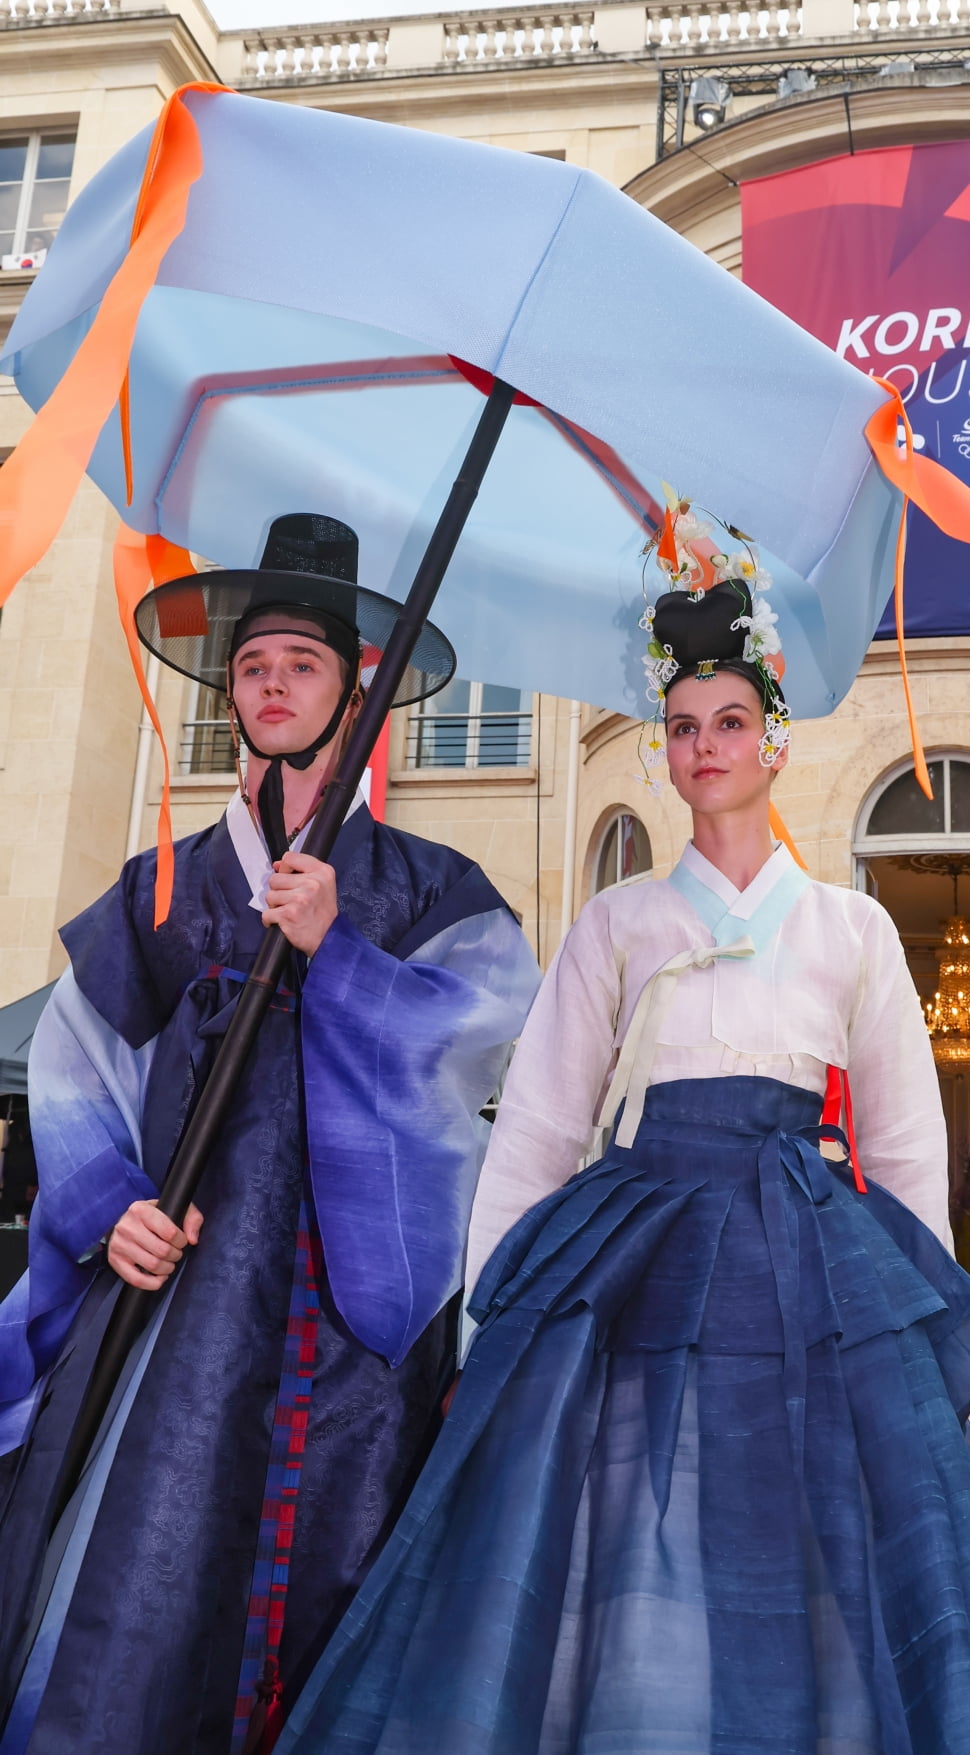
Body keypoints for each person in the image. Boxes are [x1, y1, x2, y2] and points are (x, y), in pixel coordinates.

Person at [279, 501, 970, 1755]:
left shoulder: (851, 929)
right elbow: (541, 1125)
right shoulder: (618, 922)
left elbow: (912, 1143)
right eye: (685, 728)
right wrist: (491, 1313)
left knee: (810, 1525)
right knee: (627, 1516)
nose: (707, 748)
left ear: (774, 743)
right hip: (636, 1237)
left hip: (804, 1243)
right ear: (664, 752)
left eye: (732, 724)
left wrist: (913, 1318)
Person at [0, 514, 540, 1755]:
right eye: (253, 667)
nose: (274, 685)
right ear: (230, 693)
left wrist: (336, 956)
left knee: (333, 1587)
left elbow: (486, 1033)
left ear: (352, 684)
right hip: (175, 1300)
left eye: (302, 663)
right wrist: (104, 1205)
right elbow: (77, 1067)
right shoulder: (163, 887)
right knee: (147, 1564)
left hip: (349, 1320)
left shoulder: (427, 886)